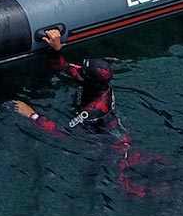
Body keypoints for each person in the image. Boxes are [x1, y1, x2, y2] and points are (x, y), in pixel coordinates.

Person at [14, 28, 164, 197]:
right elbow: (64, 67)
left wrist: (32, 115)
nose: (77, 71)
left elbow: (63, 132)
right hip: (114, 132)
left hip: (112, 145)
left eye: (82, 72)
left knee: (125, 187)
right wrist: (57, 49)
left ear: (91, 81)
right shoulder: (96, 82)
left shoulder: (92, 110)